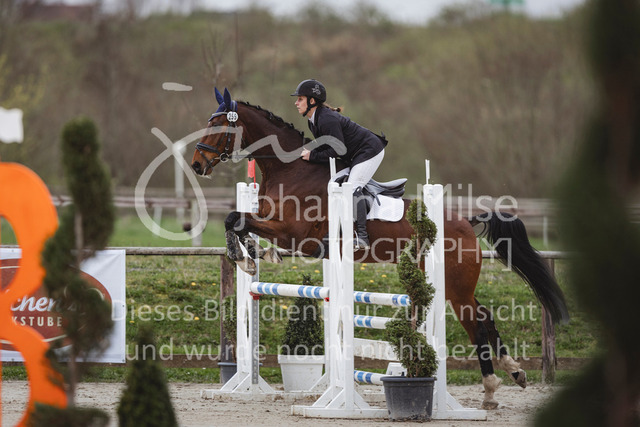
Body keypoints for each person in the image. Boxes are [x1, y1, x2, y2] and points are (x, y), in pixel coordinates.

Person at [292, 79, 387, 250]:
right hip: (354, 154)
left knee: (352, 187)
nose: (296, 103)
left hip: (370, 151)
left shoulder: (326, 119)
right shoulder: (313, 120)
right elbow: (326, 146)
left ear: (312, 101)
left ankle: (363, 237)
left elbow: (338, 150)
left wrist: (312, 156)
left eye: (300, 99)